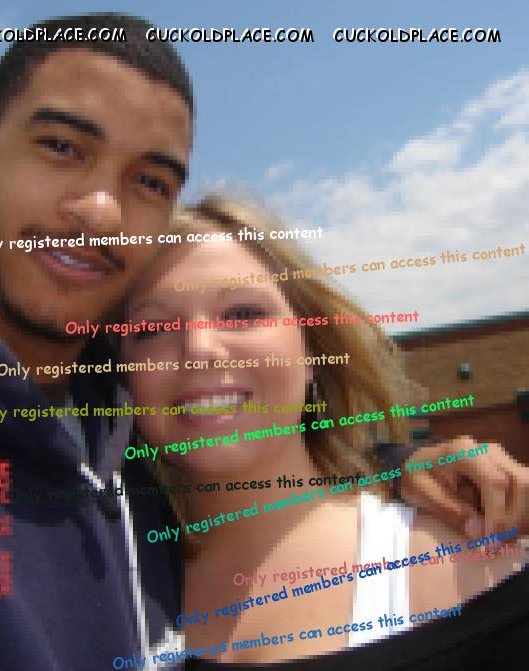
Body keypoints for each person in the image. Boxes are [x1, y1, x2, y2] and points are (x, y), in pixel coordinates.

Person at [119, 195, 529, 667]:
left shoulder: (470, 570)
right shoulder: (108, 583)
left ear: (312, 349)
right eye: (150, 329)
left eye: (243, 314)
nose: (199, 348)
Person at [0, 12, 192, 670]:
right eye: (61, 146)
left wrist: (402, 476)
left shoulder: (153, 427)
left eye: (150, 182)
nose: (102, 213)